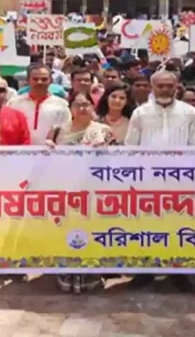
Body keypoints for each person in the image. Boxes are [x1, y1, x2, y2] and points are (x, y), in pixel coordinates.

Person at [46, 90, 112, 294]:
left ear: (93, 107)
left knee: (91, 230)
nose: (82, 109)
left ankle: (89, 273)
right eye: (78, 105)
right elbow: (46, 158)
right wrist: (47, 147)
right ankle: (66, 271)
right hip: (65, 189)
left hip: (94, 190)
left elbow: (118, 160)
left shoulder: (103, 130)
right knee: (65, 230)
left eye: (87, 105)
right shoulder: (57, 130)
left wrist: (105, 148)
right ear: (70, 108)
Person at [125, 71, 195, 147]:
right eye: (160, 86)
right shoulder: (140, 113)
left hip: (181, 158)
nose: (165, 89)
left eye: (169, 86)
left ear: (176, 88)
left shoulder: (190, 112)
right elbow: (131, 145)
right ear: (152, 88)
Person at [9, 64, 71, 145]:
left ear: (51, 81)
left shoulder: (61, 105)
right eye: (35, 79)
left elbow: (66, 131)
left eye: (44, 79)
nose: (39, 82)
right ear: (28, 81)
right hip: (20, 153)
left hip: (51, 153)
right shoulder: (14, 103)